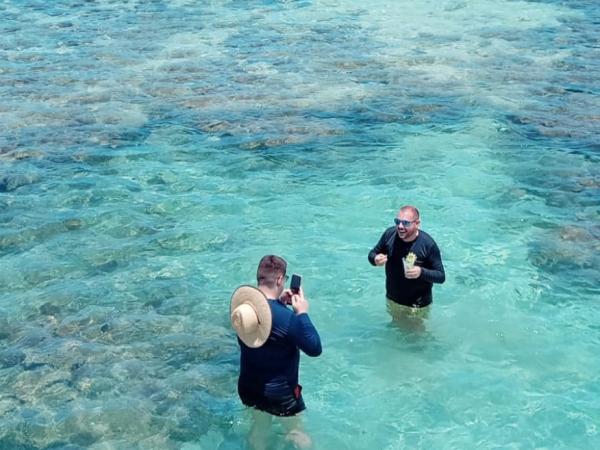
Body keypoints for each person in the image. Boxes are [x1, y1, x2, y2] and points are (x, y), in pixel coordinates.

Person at [230, 255, 322, 450]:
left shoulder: (244, 311)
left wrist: (280, 302)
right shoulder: (288, 319)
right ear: (280, 279)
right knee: (297, 432)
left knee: (259, 428)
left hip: (248, 388)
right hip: (280, 395)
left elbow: (265, 322)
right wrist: (302, 312)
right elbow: (314, 348)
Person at [368, 205, 445, 324]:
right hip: (393, 300)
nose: (400, 226)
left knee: (415, 338)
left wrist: (421, 272)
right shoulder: (390, 235)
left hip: (417, 306)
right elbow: (372, 254)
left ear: (417, 223)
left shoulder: (428, 244)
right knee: (396, 332)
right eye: (397, 222)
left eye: (405, 223)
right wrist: (375, 259)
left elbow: (441, 276)